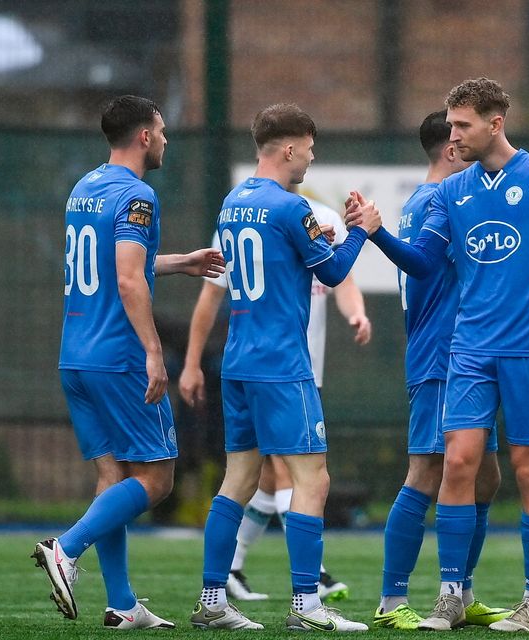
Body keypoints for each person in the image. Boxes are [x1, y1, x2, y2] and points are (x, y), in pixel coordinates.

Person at [347, 77, 529, 632]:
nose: (453, 134)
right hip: (468, 351)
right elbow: (424, 264)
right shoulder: (450, 192)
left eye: (462, 124)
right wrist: (376, 232)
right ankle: (450, 595)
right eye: (451, 124)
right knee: (457, 464)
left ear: (495, 123)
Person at [31, 95, 224, 630]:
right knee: (158, 479)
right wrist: (154, 351)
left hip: (76, 355)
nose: (165, 140)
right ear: (143, 136)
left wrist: (183, 262)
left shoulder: (86, 187)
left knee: (114, 476)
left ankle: (121, 603)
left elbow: (124, 262)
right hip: (118, 357)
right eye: (161, 131)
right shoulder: (137, 195)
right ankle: (66, 549)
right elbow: (126, 277)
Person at [189, 103, 380, 632]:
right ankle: (306, 607)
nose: (311, 161)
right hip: (282, 363)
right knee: (312, 478)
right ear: (290, 148)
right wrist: (362, 229)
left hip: (238, 361)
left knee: (239, 478)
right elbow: (337, 268)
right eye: (311, 150)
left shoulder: (233, 202)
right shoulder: (291, 209)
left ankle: (212, 600)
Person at [372, 110, 510, 630]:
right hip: (443, 355)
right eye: (461, 139)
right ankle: (391, 601)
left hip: (465, 355)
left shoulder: (425, 200)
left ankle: (463, 590)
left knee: (485, 477)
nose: (468, 147)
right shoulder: (440, 200)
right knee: (427, 471)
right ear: (451, 151)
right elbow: (428, 264)